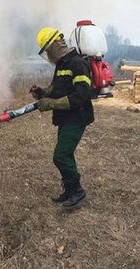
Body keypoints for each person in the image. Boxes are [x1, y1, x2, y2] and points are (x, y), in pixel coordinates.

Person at [30, 27, 94, 207]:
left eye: (48, 52)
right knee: (66, 154)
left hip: (77, 117)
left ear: (56, 46)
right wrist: (42, 93)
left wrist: (51, 104)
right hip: (65, 118)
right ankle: (69, 189)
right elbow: (55, 88)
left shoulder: (78, 64)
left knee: (60, 156)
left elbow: (81, 97)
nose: (48, 56)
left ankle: (77, 191)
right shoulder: (61, 65)